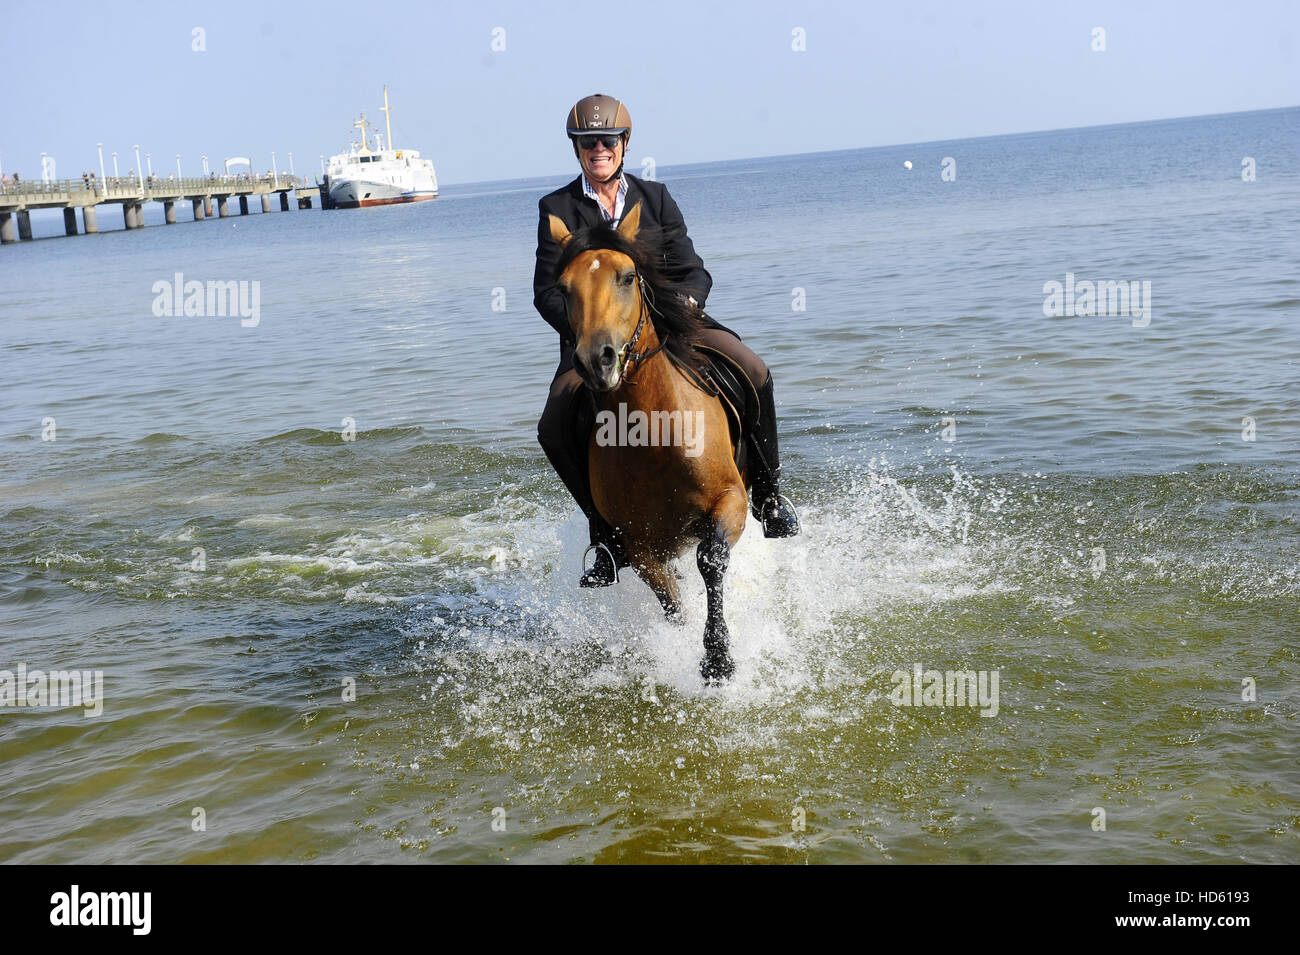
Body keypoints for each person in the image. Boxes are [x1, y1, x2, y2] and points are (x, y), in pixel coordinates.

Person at [534, 93, 800, 588]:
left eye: (607, 140)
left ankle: (767, 495)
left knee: (756, 370)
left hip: (670, 329)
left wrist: (686, 307)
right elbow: (545, 293)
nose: (598, 148)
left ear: (624, 144)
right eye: (587, 142)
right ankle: (606, 538)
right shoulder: (557, 209)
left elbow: (692, 270)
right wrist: (585, 330)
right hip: (594, 341)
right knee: (553, 425)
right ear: (576, 149)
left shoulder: (654, 199)